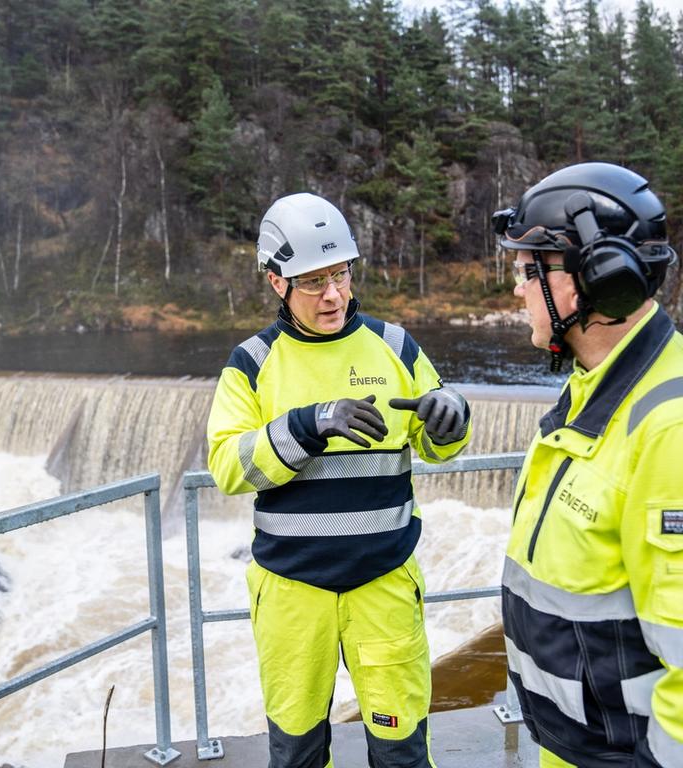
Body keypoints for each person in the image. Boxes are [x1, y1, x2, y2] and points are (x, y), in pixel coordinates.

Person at [207, 192, 472, 768]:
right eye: (312, 281)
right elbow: (228, 466)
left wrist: (451, 418)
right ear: (276, 281)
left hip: (383, 584)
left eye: (340, 275)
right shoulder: (251, 363)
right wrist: (308, 424)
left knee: (401, 752)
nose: (333, 294)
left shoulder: (396, 345)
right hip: (291, 590)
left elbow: (438, 443)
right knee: (298, 753)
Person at [492, 161, 683, 768]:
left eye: (529, 271)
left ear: (593, 279)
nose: (518, 290)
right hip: (573, 743)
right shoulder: (596, 384)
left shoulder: (669, 429)